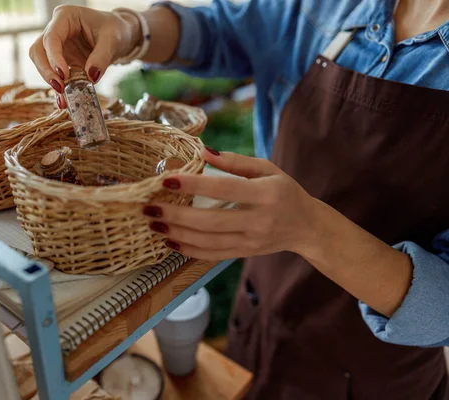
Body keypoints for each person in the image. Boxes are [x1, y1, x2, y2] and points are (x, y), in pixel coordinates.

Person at [30, 0, 449, 398]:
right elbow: (221, 28)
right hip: (261, 313)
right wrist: (128, 29)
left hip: (373, 373)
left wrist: (313, 230)